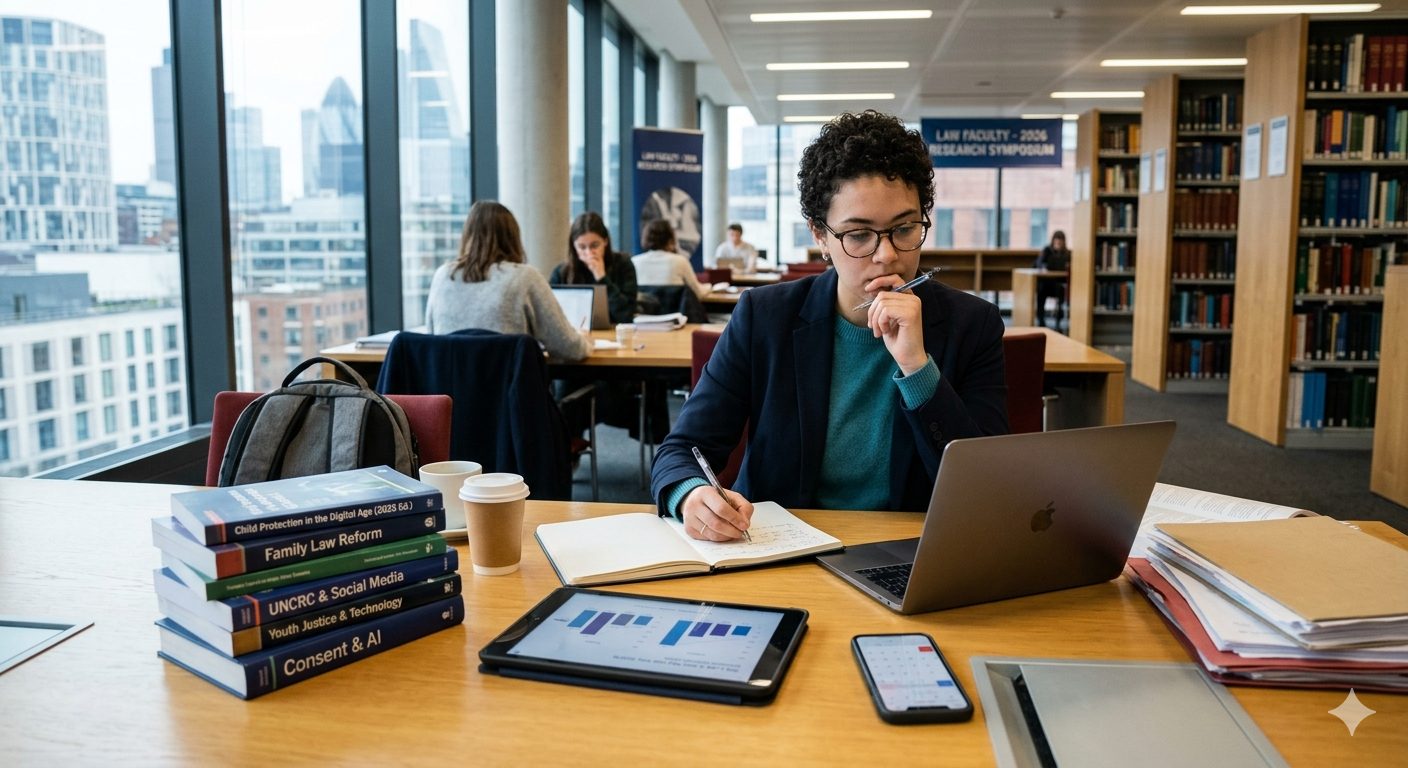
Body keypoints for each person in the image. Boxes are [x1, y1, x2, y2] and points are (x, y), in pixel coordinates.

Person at [650, 110, 1009, 542]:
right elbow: (681, 450)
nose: (887, 255)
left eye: (905, 228)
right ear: (820, 236)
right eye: (859, 235)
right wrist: (690, 497)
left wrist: (916, 366)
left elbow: (986, 489)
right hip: (778, 549)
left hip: (909, 553)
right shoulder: (764, 318)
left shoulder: (972, 324)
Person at [424, 200, 590, 362]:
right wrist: (583, 341)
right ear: (512, 237)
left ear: (467, 236)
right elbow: (570, 348)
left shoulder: (442, 276)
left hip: (449, 388)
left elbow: (432, 337)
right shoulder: (525, 278)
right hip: (509, 388)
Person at [549, 211, 639, 324]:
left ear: (605, 241)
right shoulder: (561, 272)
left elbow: (626, 315)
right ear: (574, 246)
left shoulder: (623, 264)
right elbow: (551, 315)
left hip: (615, 333)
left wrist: (602, 277)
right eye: (582, 247)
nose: (589, 253)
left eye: (594, 246)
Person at [632, 219, 710, 301]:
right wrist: (710, 287)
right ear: (670, 241)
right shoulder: (680, 261)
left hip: (642, 313)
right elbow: (698, 293)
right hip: (676, 313)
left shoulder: (634, 262)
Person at [1033, 230, 1071, 329]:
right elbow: (1038, 263)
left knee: (1061, 290)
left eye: (1060, 242)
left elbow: (1067, 267)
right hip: (1047, 283)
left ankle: (1058, 320)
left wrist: (1059, 254)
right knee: (1041, 290)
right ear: (1053, 241)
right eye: (1056, 241)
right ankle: (1041, 319)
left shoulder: (1067, 253)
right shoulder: (1047, 251)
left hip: (1059, 284)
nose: (1058, 244)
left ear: (1063, 242)